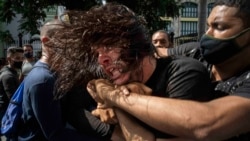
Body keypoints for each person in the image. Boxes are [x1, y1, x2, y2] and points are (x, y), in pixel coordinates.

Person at [87, 0, 250, 140]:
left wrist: (114, 97)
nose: (207, 35)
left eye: (219, 27)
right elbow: (150, 52)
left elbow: (205, 123)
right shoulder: (194, 52)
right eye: (207, 26)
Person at [53, 3, 213, 140]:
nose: (102, 60)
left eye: (108, 46)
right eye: (97, 54)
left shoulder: (184, 74)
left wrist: (114, 99)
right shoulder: (116, 81)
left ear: (134, 41)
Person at [18, 19, 106, 141]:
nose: (72, 47)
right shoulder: (42, 80)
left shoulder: (56, 72)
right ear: (47, 42)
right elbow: (55, 135)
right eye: (66, 41)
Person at [0, 47, 23, 140]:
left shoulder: (12, 72)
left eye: (22, 58)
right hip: (7, 112)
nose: (20, 61)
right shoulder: (7, 76)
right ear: (9, 59)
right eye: (17, 58)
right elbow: (13, 99)